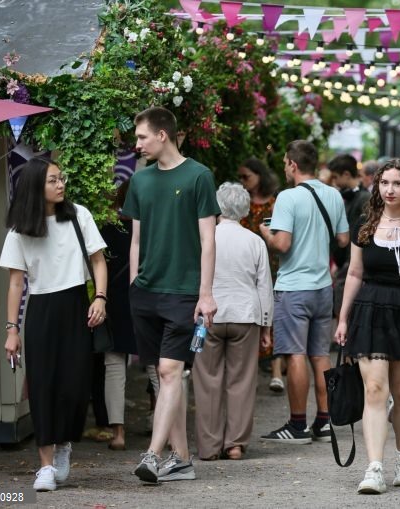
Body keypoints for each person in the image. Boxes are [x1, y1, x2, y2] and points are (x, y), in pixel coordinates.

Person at [123, 106, 220, 483]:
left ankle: (151, 455)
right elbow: (136, 239)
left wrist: (205, 294)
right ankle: (181, 458)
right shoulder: (140, 181)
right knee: (163, 377)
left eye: (142, 137)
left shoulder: (199, 176)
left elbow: (208, 240)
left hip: (183, 292)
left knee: (169, 370)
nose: (137, 144)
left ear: (163, 135)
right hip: (145, 292)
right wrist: (134, 283)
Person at [0, 156, 108, 491]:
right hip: (41, 308)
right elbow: (17, 283)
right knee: (43, 385)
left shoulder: (79, 216)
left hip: (76, 304)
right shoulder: (21, 228)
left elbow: (98, 260)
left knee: (76, 386)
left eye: (61, 179)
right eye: (53, 180)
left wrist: (100, 297)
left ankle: (64, 445)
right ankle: (45, 466)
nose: (61, 185)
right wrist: (11, 330)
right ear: (36, 186)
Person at [335, 158, 400, 495]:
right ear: (377, 186)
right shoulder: (365, 222)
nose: (390, 189)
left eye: (397, 183)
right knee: (375, 389)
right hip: (370, 308)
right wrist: (342, 318)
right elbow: (353, 273)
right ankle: (374, 467)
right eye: (384, 183)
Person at [259, 140, 349, 444]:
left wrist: (265, 234)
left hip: (293, 287)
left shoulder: (287, 197)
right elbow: (343, 238)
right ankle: (324, 422)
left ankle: (297, 426)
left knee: (295, 355)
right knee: (320, 355)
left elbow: (282, 244)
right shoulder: (333, 194)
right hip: (323, 286)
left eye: (285, 162)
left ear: (293, 165)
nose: (285, 168)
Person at [193, 183, 273, 461]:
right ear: (245, 209)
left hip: (209, 317)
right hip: (246, 315)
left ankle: (208, 446)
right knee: (241, 381)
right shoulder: (255, 241)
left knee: (207, 381)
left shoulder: (206, 237)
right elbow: (264, 286)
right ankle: (235, 443)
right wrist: (266, 325)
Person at [236, 158, 284, 393]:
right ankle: (252, 371)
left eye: (246, 177)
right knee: (252, 315)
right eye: (241, 178)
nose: (243, 182)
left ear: (259, 176)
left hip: (271, 263)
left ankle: (276, 372)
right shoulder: (242, 203)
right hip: (247, 264)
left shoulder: (275, 203)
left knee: (272, 313)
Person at [98, 179, 139, 451]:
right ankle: (167, 431)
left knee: (114, 367)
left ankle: (118, 434)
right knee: (157, 368)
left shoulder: (106, 231)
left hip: (113, 303)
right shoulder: (153, 229)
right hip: (145, 301)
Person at [327, 154, 371, 316]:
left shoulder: (364, 198)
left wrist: (345, 263)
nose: (334, 182)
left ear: (346, 174)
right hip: (345, 263)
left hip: (351, 264)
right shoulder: (349, 196)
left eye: (336, 177)